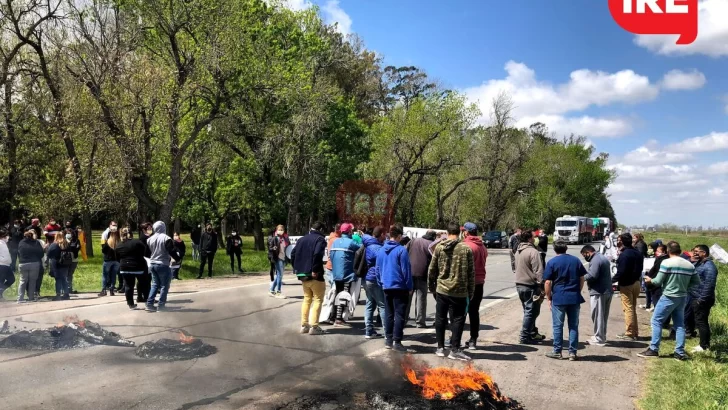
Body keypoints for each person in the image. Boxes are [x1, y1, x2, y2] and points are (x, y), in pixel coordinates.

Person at [639, 241, 701, 361]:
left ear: (668, 251)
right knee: (679, 325)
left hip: (668, 296)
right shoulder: (689, 265)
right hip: (682, 297)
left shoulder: (666, 262)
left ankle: (653, 349)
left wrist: (649, 280)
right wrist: (684, 287)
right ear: (680, 250)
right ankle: (679, 352)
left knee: (656, 321)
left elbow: (658, 281)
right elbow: (696, 282)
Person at [429, 222, 475, 361]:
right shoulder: (466, 249)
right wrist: (471, 291)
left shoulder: (439, 248)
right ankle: (454, 349)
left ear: (447, 233)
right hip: (459, 291)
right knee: (457, 320)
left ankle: (440, 347)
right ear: (459, 233)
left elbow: (432, 269)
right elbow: (471, 273)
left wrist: (432, 287)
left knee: (440, 318)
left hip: (442, 289)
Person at [543, 241, 587, 360]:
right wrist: (578, 290)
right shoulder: (576, 260)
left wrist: (548, 298)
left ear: (554, 249)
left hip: (559, 297)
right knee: (573, 326)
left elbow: (547, 282)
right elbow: (582, 278)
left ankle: (557, 350)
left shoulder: (552, 262)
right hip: (574, 297)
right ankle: (572, 352)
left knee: (558, 325)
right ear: (566, 248)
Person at [377, 224, 413, 353]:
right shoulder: (401, 250)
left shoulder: (381, 250)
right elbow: (406, 270)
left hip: (386, 285)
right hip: (399, 286)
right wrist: (409, 286)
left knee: (389, 313)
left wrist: (380, 282)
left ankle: (388, 340)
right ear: (398, 237)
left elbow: (377, 269)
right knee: (399, 315)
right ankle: (397, 341)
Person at [291, 221, 327, 336]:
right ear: (320, 229)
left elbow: (292, 254)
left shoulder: (302, 239)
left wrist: (296, 267)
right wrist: (315, 270)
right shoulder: (320, 240)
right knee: (317, 299)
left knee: (307, 299)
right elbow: (317, 255)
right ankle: (314, 326)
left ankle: (304, 325)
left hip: (302, 274)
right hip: (315, 274)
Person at [515, 230, 546, 344]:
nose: (535, 239)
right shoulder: (533, 252)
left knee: (528, 310)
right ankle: (524, 336)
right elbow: (538, 271)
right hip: (530, 285)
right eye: (533, 237)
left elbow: (514, 267)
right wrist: (542, 285)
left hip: (519, 284)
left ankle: (531, 332)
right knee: (532, 311)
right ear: (529, 239)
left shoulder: (518, 250)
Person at [686, 245, 718, 352]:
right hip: (696, 296)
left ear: (704, 253)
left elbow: (709, 285)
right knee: (699, 321)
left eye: (697, 252)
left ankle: (704, 346)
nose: (694, 253)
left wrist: (701, 299)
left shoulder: (709, 266)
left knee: (701, 322)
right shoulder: (700, 263)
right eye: (694, 251)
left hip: (702, 299)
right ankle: (704, 344)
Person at [612, 233, 643, 341]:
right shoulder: (637, 253)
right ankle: (634, 331)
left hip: (627, 284)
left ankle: (629, 333)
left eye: (619, 240)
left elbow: (622, 271)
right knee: (632, 308)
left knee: (628, 309)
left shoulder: (625, 255)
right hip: (636, 282)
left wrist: (612, 281)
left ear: (622, 242)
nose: (617, 242)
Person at [581, 245, 613, 346]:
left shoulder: (595, 260)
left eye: (584, 255)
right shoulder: (602, 258)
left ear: (588, 252)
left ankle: (599, 338)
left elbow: (592, 275)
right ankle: (601, 335)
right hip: (606, 290)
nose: (585, 257)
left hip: (599, 291)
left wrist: (581, 277)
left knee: (598, 315)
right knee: (603, 316)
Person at [462, 222, 488, 350]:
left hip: (467, 283)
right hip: (479, 282)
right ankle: (473, 339)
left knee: (460, 312)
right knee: (474, 312)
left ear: (466, 232)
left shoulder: (465, 246)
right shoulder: (482, 246)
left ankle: (454, 338)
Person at [145, 221, 180, 312]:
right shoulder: (166, 238)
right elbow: (171, 251)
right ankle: (161, 305)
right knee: (164, 285)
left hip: (152, 263)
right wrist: (177, 258)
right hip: (163, 264)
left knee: (155, 284)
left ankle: (149, 304)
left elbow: (147, 253)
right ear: (163, 228)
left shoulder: (149, 239)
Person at [329, 223, 360, 323]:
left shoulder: (335, 242)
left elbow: (331, 256)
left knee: (337, 293)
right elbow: (362, 248)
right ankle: (339, 318)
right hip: (347, 273)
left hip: (336, 273)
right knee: (344, 294)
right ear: (350, 231)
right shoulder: (351, 242)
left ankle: (333, 316)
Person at [406, 229, 435, 328]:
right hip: (422, 274)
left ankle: (404, 319)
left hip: (410, 273)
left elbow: (405, 251)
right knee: (421, 298)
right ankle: (420, 322)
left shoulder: (413, 240)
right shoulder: (431, 244)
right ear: (433, 237)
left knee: (407, 297)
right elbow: (433, 261)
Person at [363, 226, 387, 339]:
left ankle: (369, 330)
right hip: (375, 278)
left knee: (370, 304)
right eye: (384, 235)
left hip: (368, 278)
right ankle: (388, 333)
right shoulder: (376, 247)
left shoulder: (368, 244)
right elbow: (382, 262)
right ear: (381, 234)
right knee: (382, 305)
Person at [115, 228, 148, 309]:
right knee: (144, 284)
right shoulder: (137, 242)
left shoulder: (119, 245)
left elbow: (117, 258)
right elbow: (144, 251)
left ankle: (131, 304)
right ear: (131, 234)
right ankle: (148, 302)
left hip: (124, 267)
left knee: (128, 286)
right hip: (138, 266)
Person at [17, 230, 44, 303]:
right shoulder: (36, 242)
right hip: (34, 263)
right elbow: (41, 254)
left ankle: (20, 298)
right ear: (32, 235)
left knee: (22, 281)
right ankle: (31, 298)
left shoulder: (21, 242)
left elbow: (19, 252)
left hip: (23, 263)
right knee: (32, 281)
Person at [47, 232, 72, 301]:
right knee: (64, 279)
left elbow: (48, 254)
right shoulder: (66, 244)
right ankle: (66, 294)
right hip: (65, 264)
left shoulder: (54, 245)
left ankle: (58, 295)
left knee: (58, 279)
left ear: (56, 237)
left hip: (57, 264)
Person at [267, 225, 289, 298]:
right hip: (277, 258)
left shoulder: (285, 238)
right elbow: (270, 248)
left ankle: (271, 290)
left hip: (283, 258)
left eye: (282, 229)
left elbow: (288, 248)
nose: (281, 230)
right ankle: (278, 292)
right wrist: (273, 248)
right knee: (279, 275)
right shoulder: (274, 238)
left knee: (279, 275)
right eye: (279, 229)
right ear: (276, 230)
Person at [100, 228, 121, 296]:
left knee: (105, 275)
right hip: (117, 261)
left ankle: (104, 290)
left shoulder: (107, 243)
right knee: (113, 275)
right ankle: (112, 289)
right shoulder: (119, 243)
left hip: (108, 260)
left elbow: (103, 250)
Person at [0, 229, 15, 300]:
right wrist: (2, 259)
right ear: (2, 236)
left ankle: (0, 292)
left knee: (11, 279)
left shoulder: (4, 243)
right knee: (1, 280)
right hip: (1, 265)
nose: (7, 237)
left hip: (7, 265)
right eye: (6, 235)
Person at [66, 229, 81, 294]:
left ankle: (69, 288)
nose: (69, 235)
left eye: (70, 233)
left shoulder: (77, 241)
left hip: (73, 259)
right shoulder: (64, 241)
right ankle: (66, 288)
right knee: (67, 274)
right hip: (66, 259)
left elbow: (77, 248)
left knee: (69, 274)